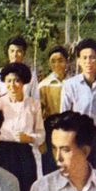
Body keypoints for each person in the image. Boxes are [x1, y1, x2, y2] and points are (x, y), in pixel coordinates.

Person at [0, 62, 45, 191]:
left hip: (24, 154)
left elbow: (41, 134)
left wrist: (29, 138)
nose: (12, 85)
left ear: (23, 83)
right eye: (8, 81)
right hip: (3, 154)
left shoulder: (33, 105)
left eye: (16, 81)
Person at [60, 38, 96, 170]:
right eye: (84, 58)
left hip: (95, 141)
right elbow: (64, 119)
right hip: (75, 139)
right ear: (79, 61)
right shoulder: (70, 86)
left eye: (92, 57)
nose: (88, 62)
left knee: (94, 180)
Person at [39, 45, 69, 174]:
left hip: (70, 129)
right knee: (51, 166)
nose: (57, 64)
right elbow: (39, 114)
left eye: (60, 60)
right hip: (51, 131)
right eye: (53, 61)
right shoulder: (44, 85)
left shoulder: (73, 83)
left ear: (66, 62)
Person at [0, 35, 39, 100]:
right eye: (12, 51)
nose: (15, 55)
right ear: (7, 52)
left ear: (24, 53)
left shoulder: (31, 75)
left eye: (19, 51)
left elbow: (36, 98)